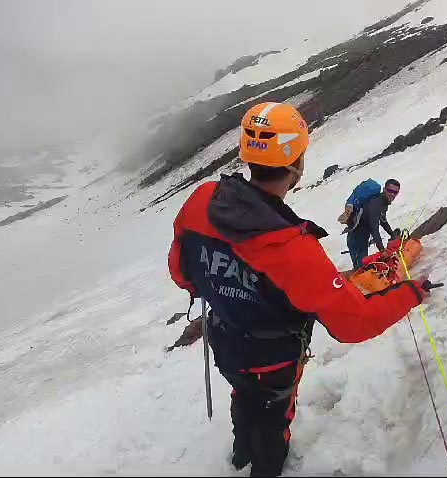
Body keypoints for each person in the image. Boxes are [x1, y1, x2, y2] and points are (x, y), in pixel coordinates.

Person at [167, 102, 429, 476]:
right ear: (296, 162)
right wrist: (410, 293)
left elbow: (181, 272)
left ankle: (241, 457)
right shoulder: (294, 248)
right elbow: (355, 323)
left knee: (242, 395)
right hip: (273, 361)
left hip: (224, 341)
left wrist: (226, 290)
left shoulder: (202, 202)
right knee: (274, 421)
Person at [346, 179, 401, 270]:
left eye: (395, 192)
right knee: (361, 268)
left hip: (363, 238)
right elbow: (374, 228)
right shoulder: (376, 203)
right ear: (384, 189)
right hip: (356, 239)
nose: (392, 194)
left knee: (363, 265)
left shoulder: (384, 203)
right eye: (390, 191)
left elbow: (383, 221)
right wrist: (382, 250)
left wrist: (392, 234)